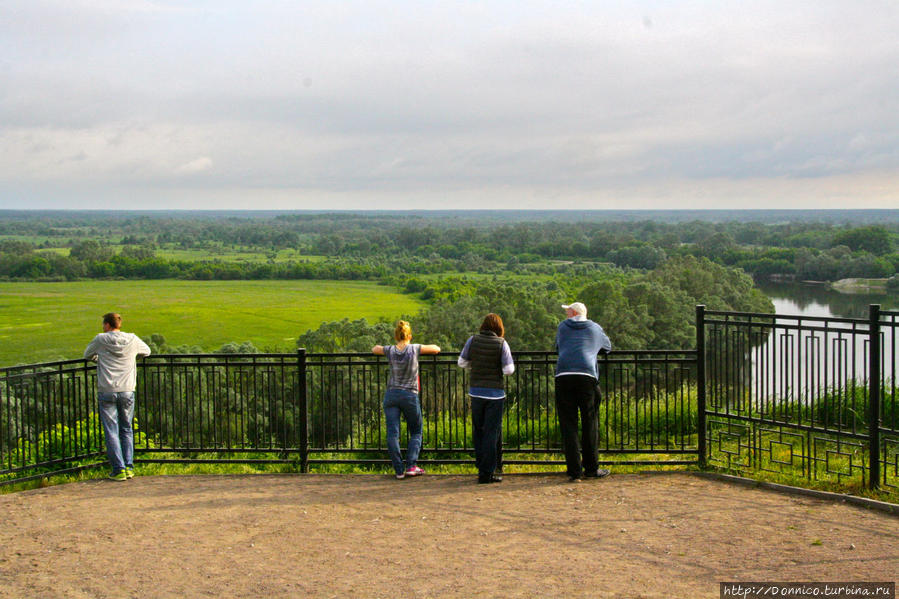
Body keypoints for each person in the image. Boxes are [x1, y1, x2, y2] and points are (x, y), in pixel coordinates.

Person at [83, 313, 151, 481]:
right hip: (127, 389)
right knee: (126, 428)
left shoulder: (101, 339)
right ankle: (128, 467)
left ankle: (118, 469)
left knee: (111, 430)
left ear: (107, 325)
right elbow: (147, 351)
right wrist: (132, 357)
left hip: (107, 389)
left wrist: (100, 359)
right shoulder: (132, 339)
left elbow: (87, 355)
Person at [373, 321, 440, 479]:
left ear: (396, 336)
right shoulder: (415, 348)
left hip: (391, 394)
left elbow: (375, 348)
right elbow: (437, 349)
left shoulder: (390, 350)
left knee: (392, 433)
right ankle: (411, 466)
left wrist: (383, 348)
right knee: (416, 430)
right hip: (409, 394)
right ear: (409, 335)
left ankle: (398, 470)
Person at [554, 302, 612, 482]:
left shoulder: (563, 327)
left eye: (567, 311)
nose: (565, 315)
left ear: (572, 313)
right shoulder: (595, 328)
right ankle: (592, 468)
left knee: (568, 424)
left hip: (563, 375)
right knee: (589, 422)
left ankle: (574, 471)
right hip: (587, 376)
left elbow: (558, 347)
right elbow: (607, 347)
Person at [458, 313, 515, 484]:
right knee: (492, 432)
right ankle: (487, 471)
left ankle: (481, 465)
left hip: (476, 392)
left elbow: (461, 362)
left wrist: (474, 366)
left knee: (478, 431)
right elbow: (509, 369)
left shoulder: (472, 340)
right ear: (499, 328)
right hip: (495, 394)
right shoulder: (501, 343)